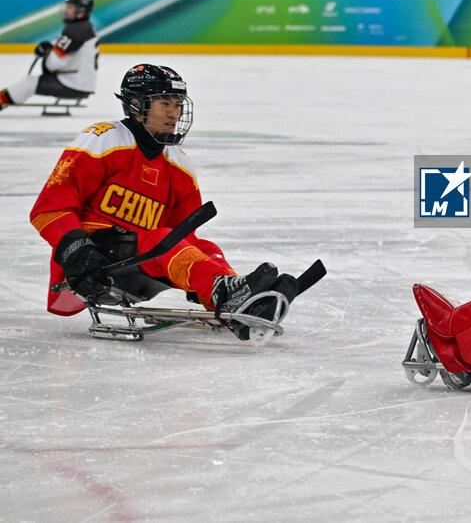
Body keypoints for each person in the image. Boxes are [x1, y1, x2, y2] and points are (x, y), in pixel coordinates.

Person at [28, 64, 301, 341]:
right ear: (136, 104)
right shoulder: (103, 140)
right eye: (164, 103)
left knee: (205, 248)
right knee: (163, 239)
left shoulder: (178, 163)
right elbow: (49, 208)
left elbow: (185, 240)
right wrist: (77, 250)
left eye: (178, 104)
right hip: (92, 262)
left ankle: (233, 296)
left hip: (140, 259)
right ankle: (224, 293)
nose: (174, 113)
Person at [0, 0, 99, 112]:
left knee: (29, 83)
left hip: (73, 83)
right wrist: (49, 47)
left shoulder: (76, 30)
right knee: (30, 82)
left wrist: (46, 55)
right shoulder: (83, 27)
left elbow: (54, 64)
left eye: (70, 8)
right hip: (80, 81)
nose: (66, 11)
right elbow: (62, 47)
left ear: (81, 10)